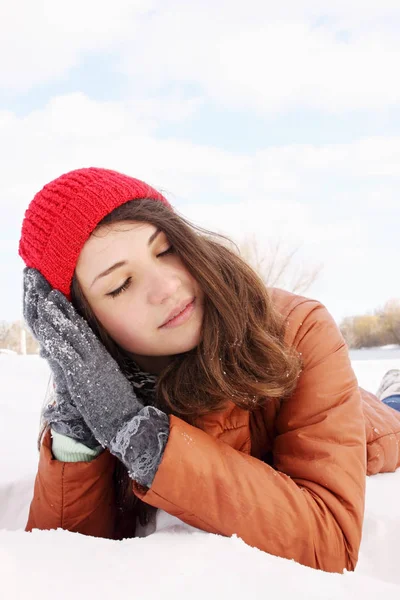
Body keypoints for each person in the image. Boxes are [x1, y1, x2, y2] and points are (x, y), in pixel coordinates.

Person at [19, 167, 400, 574]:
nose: (167, 287)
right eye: (121, 285)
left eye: (166, 250)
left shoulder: (298, 329)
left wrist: (147, 440)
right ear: (84, 326)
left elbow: (331, 543)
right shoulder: (99, 393)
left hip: (364, 423)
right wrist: (80, 432)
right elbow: (59, 565)